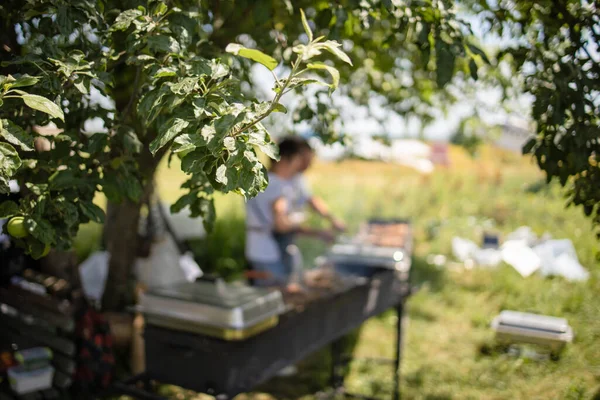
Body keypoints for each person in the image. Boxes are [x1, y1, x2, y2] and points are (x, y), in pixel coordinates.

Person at [245, 136, 345, 288]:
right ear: (287, 159)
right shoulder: (274, 185)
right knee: (276, 296)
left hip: (276, 250)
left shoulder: (277, 180)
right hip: (267, 253)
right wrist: (317, 233)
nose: (302, 164)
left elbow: (308, 200)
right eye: (298, 159)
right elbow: (281, 225)